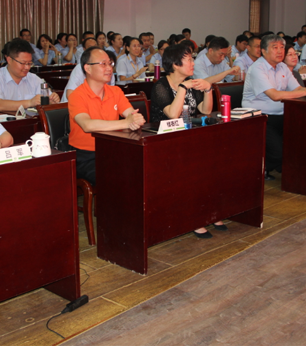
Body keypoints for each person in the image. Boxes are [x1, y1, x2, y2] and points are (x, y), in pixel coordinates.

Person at [150, 43, 224, 238]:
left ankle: (210, 211)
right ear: (175, 64)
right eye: (189, 59)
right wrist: (183, 88)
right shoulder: (161, 86)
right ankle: (193, 217)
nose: (193, 63)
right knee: (194, 168)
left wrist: (207, 89)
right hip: (164, 143)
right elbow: (172, 114)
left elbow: (205, 110)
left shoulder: (191, 82)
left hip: (187, 138)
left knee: (216, 161)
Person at [243, 35, 306, 181]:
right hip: (259, 117)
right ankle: (263, 167)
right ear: (263, 51)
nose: (280, 51)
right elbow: (275, 95)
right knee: (279, 152)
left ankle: (294, 171)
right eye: (275, 47)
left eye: (282, 47)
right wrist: (305, 91)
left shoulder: (282, 66)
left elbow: (297, 89)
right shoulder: (257, 69)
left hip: (282, 114)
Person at [68, 46, 145, 186]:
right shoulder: (77, 95)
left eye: (110, 63)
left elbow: (133, 115)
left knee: (144, 169)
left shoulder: (115, 91)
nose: (109, 68)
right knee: (116, 178)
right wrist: (125, 122)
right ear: (88, 68)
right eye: (103, 64)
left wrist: (135, 119)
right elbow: (87, 125)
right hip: (87, 156)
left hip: (113, 149)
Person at [0, 38, 60, 110]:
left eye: (29, 63)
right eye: (23, 63)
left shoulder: (34, 79)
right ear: (9, 60)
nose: (27, 67)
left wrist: (51, 100)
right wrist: (29, 102)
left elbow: (47, 98)